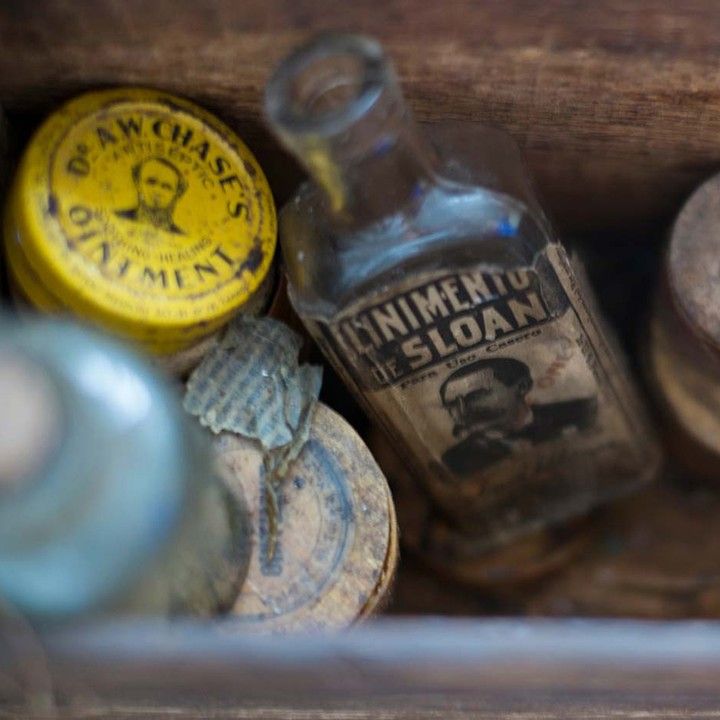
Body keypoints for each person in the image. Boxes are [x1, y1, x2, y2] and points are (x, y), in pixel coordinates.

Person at [440, 357, 597, 476]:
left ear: (521, 387)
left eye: (474, 395)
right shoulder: (455, 461)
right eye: (452, 404)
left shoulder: (582, 411)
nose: (460, 411)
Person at [116, 156, 186, 234]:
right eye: (151, 182)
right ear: (138, 184)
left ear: (177, 194)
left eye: (166, 187)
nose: (157, 191)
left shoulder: (180, 235)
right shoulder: (115, 218)